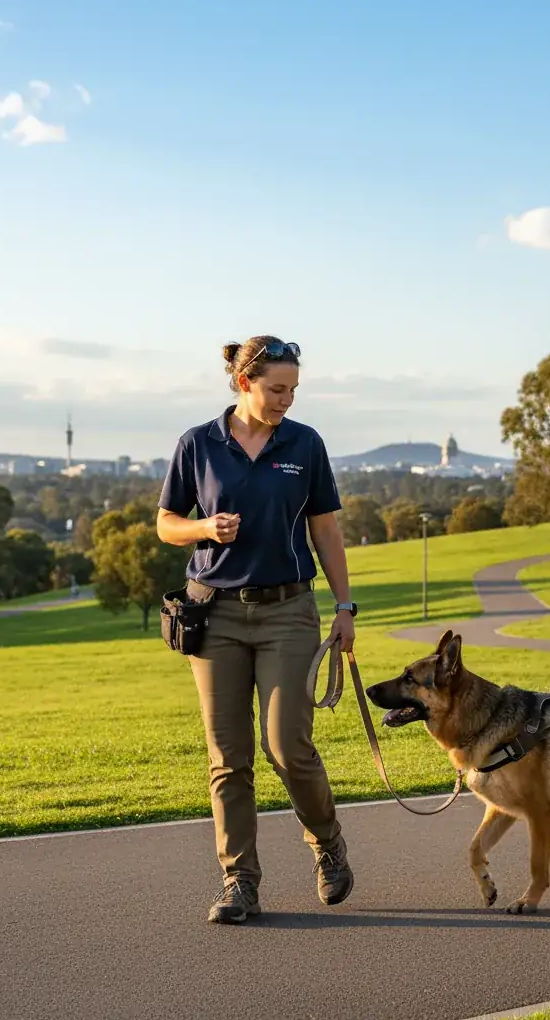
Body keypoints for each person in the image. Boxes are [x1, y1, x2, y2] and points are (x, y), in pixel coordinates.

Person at [155, 335, 358, 924]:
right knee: (228, 756)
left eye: (293, 390)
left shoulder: (305, 442)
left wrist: (345, 607)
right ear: (244, 382)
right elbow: (168, 523)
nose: (286, 400)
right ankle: (239, 881)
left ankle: (327, 844)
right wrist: (203, 530)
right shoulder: (198, 444)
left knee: (287, 746)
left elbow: (326, 531)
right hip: (213, 614)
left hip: (288, 611)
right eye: (276, 389)